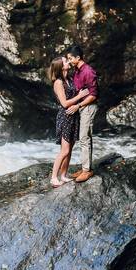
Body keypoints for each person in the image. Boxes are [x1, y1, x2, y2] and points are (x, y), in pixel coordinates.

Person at [48, 56, 89, 188]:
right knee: (64, 150)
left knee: (70, 149)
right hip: (65, 117)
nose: (68, 62)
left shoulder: (70, 79)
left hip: (73, 116)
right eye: (66, 61)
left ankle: (63, 175)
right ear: (60, 66)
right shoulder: (58, 82)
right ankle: (54, 178)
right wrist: (80, 96)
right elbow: (64, 103)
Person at [64, 45, 98, 182]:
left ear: (78, 58)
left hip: (88, 107)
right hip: (82, 107)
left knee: (84, 137)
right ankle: (85, 167)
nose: (69, 61)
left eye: (70, 58)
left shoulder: (88, 71)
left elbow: (94, 95)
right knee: (83, 137)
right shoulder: (77, 71)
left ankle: (87, 170)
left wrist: (78, 105)